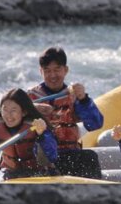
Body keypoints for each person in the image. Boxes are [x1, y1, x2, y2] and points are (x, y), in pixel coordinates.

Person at [27, 47, 104, 177]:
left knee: (90, 157)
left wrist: (84, 100)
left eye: (57, 70)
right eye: (47, 70)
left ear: (65, 70)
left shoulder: (74, 96)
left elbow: (95, 124)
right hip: (42, 157)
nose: (52, 75)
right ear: (41, 71)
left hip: (69, 154)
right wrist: (31, 109)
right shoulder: (29, 97)